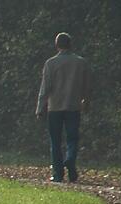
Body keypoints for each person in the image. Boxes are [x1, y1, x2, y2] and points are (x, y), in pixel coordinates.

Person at [36, 32, 91, 183]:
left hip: (55, 107)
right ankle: (71, 160)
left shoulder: (51, 63)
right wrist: (86, 102)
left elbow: (45, 87)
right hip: (73, 106)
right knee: (72, 138)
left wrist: (40, 107)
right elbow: (86, 86)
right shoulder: (81, 62)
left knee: (55, 140)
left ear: (57, 45)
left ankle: (58, 173)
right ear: (70, 44)